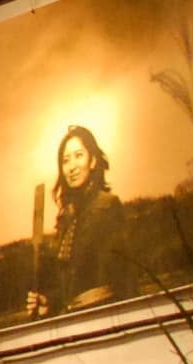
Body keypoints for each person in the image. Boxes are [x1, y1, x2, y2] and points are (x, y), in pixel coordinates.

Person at [22, 123, 132, 317]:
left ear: (93, 161)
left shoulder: (107, 206)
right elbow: (71, 288)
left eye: (79, 155)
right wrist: (48, 304)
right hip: (76, 319)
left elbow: (125, 278)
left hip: (106, 316)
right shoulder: (67, 217)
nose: (72, 166)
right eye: (65, 160)